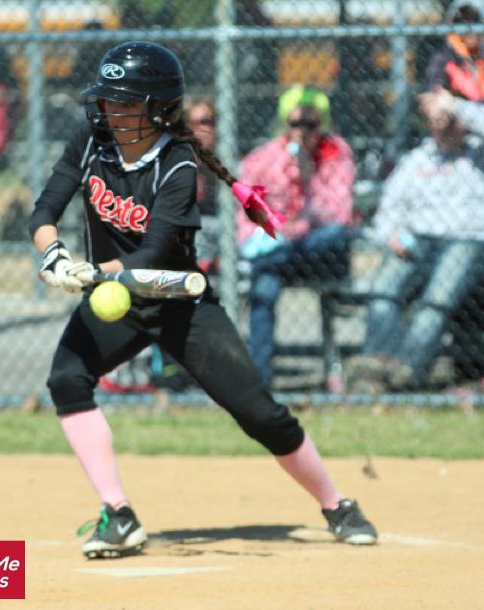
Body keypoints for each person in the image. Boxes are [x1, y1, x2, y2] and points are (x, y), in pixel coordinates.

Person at [29, 41, 377, 559]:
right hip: (113, 301)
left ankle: (336, 503)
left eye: (123, 102)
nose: (109, 110)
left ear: (156, 108)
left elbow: (153, 251)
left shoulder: (177, 163)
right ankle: (119, 515)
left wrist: (92, 272)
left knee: (260, 414)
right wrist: (55, 254)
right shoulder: (90, 141)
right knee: (66, 380)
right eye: (107, 100)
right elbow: (45, 208)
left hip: (180, 305)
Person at [346, 88, 484, 393]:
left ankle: (407, 374)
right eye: (439, 119)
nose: (445, 125)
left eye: (450, 120)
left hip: (467, 240)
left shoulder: (478, 153)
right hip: (418, 239)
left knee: (435, 302)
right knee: (383, 292)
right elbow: (388, 210)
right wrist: (391, 235)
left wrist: (456, 106)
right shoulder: (417, 159)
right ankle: (376, 370)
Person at [237, 85, 355, 387]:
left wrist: (308, 178)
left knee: (334, 235)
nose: (304, 132)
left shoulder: (335, 153)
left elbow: (338, 215)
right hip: (277, 253)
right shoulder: (263, 158)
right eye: (296, 124)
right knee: (263, 290)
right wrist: (263, 237)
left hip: (319, 253)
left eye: (312, 125)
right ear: (284, 123)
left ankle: (274, 257)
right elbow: (247, 213)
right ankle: (260, 384)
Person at [184, 97, 219, 273]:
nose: (201, 129)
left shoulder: (227, 163)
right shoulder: (177, 163)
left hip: (221, 230)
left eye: (207, 122)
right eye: (194, 123)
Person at [426, 0, 484, 101]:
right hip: (457, 114)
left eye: (475, 20)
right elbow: (437, 97)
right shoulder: (444, 59)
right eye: (461, 21)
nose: (468, 27)